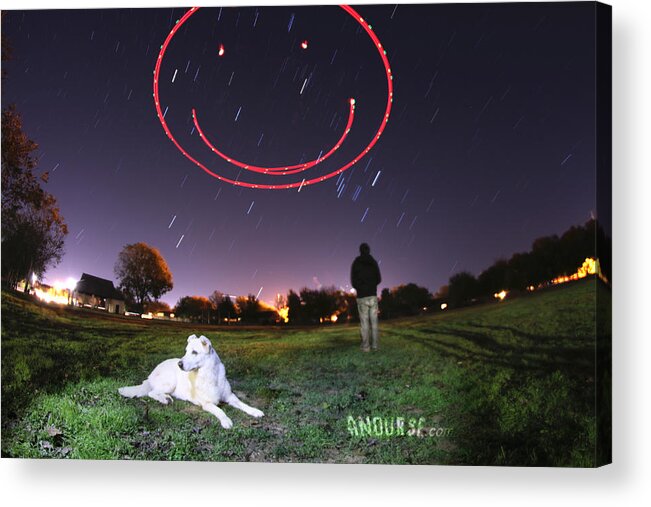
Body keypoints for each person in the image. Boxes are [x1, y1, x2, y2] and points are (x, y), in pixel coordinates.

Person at [350, 242, 382, 352]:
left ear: (360, 250)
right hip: (372, 296)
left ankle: (366, 347)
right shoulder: (373, 262)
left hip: (362, 297)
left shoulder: (356, 262)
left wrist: (361, 288)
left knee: (364, 323)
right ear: (369, 250)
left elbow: (353, 281)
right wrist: (372, 285)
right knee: (374, 322)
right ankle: (375, 346)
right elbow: (379, 279)